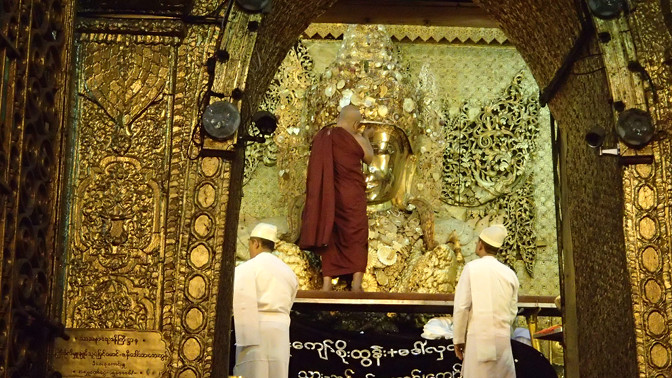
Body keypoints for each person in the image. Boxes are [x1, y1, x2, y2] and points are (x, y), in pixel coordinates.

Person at [299, 105, 373, 291]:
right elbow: (369, 158)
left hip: (328, 195)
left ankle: (326, 283)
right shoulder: (356, 138)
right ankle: (356, 283)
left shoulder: (324, 137)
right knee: (356, 234)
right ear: (356, 124)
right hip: (352, 195)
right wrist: (367, 137)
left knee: (330, 232)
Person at [233, 223, 299, 378]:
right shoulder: (289, 272)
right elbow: (290, 302)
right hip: (280, 332)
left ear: (256, 243)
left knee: (252, 371)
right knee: (277, 372)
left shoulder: (246, 269)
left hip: (253, 329)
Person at [452, 224, 519, 378]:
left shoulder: (471, 268)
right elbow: (512, 311)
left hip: (478, 340)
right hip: (502, 340)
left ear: (481, 244)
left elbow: (462, 307)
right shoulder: (509, 274)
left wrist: (458, 339)